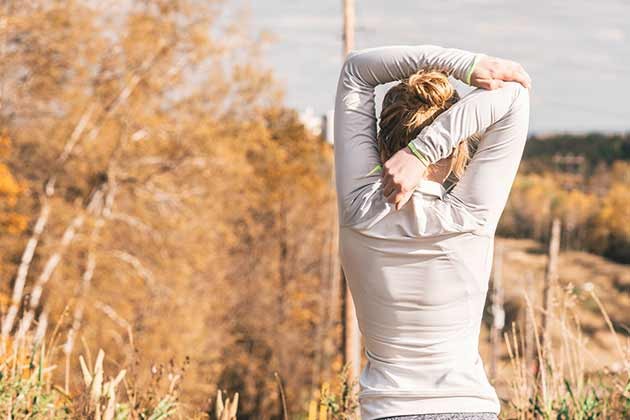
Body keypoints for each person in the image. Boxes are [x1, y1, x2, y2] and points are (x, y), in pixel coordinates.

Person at [332, 44, 531, 420]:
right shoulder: (469, 216)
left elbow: (357, 71)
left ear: (380, 140)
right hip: (467, 409)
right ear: (457, 150)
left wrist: (466, 66)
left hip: (385, 412)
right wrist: (424, 151)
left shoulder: (358, 208)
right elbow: (514, 97)